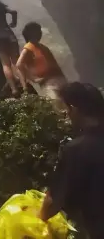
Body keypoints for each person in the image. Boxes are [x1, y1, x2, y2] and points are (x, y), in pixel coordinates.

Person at [39, 82, 104, 239]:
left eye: (66, 109)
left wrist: (37, 219)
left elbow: (54, 200)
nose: (66, 114)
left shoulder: (76, 150)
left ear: (74, 109)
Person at [16, 22, 67, 103]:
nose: (40, 33)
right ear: (32, 33)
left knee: (64, 102)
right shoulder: (29, 47)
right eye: (38, 31)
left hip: (57, 79)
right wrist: (34, 79)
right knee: (57, 102)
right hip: (48, 82)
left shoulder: (42, 47)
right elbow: (19, 64)